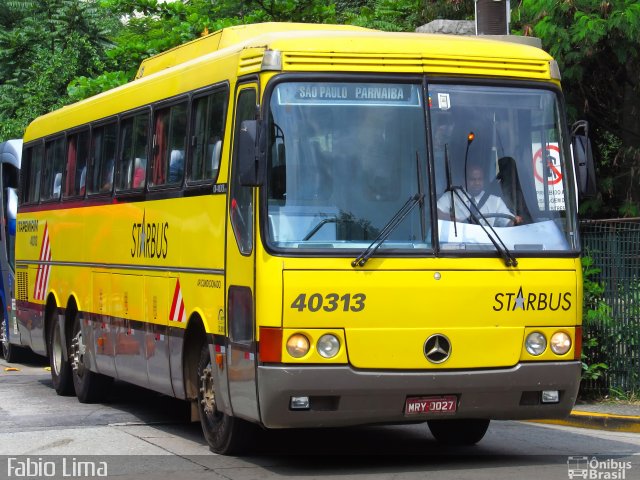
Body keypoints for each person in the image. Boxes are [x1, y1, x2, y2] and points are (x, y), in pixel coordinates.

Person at [437, 164, 521, 227]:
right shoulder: (451, 196)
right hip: (458, 246)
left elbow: (508, 222)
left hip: (485, 247)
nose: (477, 183)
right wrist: (456, 221)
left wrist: (515, 221)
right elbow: (436, 212)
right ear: (464, 180)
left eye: (479, 179)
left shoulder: (495, 201)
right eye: (472, 179)